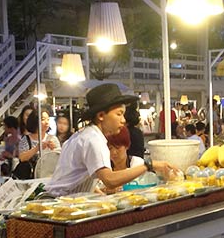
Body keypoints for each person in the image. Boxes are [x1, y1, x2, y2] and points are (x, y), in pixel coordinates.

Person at [45, 84, 177, 197]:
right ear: (101, 115)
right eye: (119, 114)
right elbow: (110, 180)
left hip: (62, 199)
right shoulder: (94, 139)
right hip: (58, 201)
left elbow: (75, 177)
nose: (123, 120)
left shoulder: (84, 135)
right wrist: (149, 165)